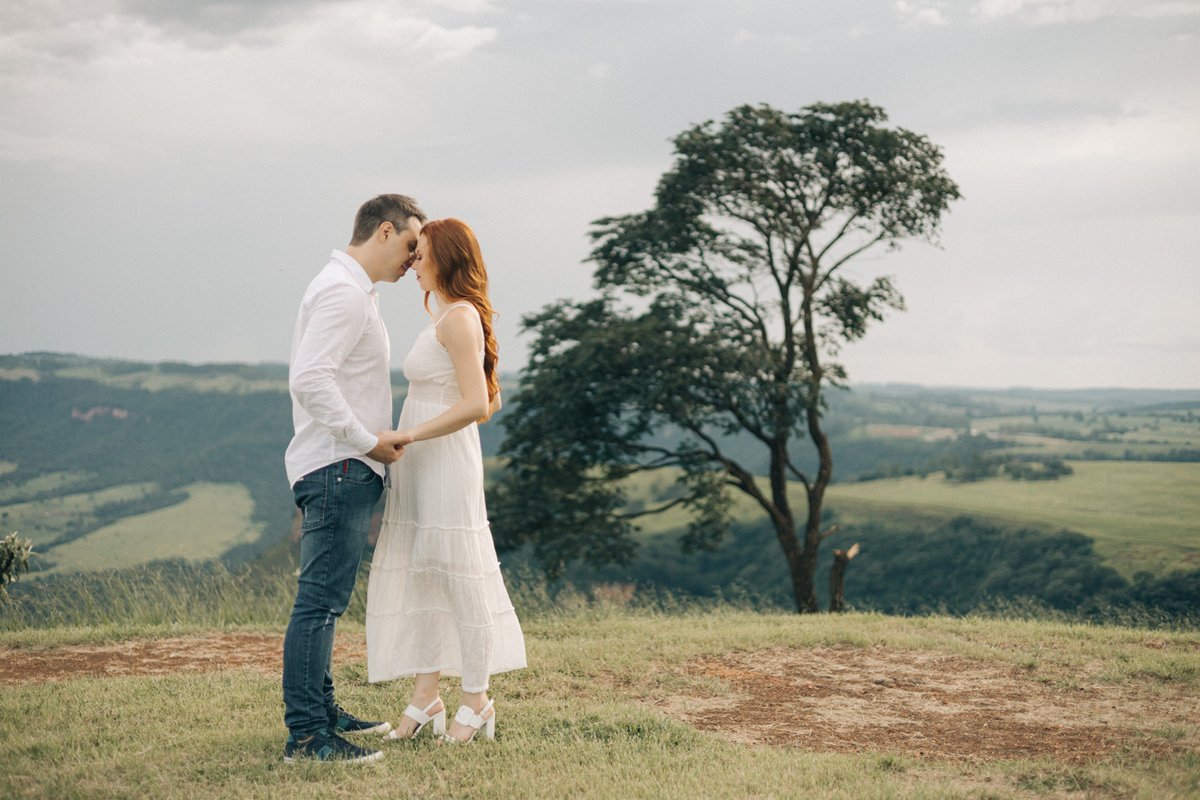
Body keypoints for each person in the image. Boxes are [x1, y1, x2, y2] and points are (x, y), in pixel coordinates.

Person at [366, 218, 526, 744]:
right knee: (426, 573)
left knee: (459, 575)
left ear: (447, 259)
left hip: (443, 461)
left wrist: (411, 430)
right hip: (425, 461)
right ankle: (426, 696)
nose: (413, 261)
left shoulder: (458, 318)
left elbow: (478, 405)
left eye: (422, 252)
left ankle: (476, 700)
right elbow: (491, 395)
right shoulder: (446, 314)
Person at [282, 194, 425, 764]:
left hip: (340, 465)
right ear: (384, 232)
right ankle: (308, 735)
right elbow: (309, 380)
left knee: (325, 600)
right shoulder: (344, 292)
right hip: (340, 465)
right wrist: (367, 441)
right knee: (319, 603)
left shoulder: (349, 288)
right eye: (412, 245)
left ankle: (323, 710)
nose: (415, 259)